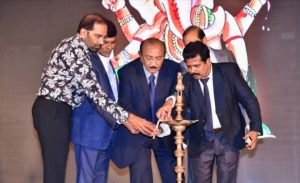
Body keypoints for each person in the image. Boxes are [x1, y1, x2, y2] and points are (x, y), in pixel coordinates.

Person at [32, 13, 156, 183]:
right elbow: (95, 93)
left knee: (57, 170)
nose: (100, 42)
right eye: (97, 36)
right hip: (52, 109)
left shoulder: (81, 50)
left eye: (104, 37)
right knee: (55, 171)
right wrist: (128, 118)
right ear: (83, 32)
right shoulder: (74, 48)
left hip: (60, 110)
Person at [157, 41, 262, 183]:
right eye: (189, 66)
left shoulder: (229, 72)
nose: (193, 70)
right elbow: (179, 102)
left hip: (228, 137)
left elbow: (249, 100)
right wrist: (168, 110)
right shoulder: (187, 80)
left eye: (197, 65)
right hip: (201, 140)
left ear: (208, 61)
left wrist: (255, 129)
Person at [110, 38, 180, 183]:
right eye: (148, 58)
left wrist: (165, 123)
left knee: (174, 177)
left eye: (159, 58)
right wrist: (141, 124)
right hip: (138, 134)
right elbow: (124, 104)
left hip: (164, 134)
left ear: (165, 56)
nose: (154, 63)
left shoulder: (174, 69)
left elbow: (181, 96)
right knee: (141, 178)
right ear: (140, 56)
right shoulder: (126, 72)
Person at [71, 19, 119, 183]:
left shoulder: (109, 63)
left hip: (107, 133)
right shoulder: (87, 60)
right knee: (86, 179)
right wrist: (123, 120)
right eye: (104, 41)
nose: (108, 46)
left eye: (112, 42)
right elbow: (96, 99)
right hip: (89, 132)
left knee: (100, 178)